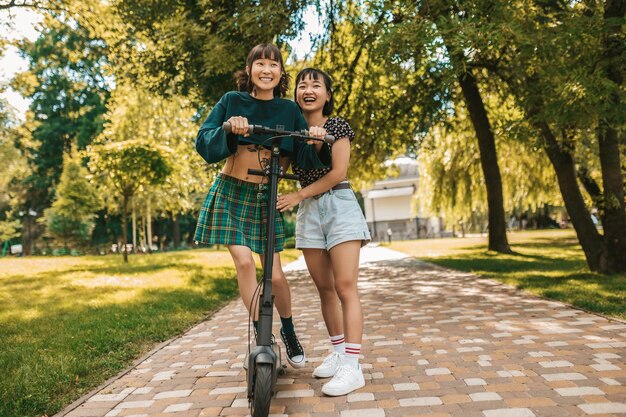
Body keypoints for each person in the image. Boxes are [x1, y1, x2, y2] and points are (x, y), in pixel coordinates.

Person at [194, 44, 330, 369]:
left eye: (273, 64)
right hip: (230, 191)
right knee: (244, 264)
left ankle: (289, 331)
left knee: (277, 277)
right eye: (260, 63)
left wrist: (314, 140)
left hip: (265, 197)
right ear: (250, 69)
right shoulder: (232, 101)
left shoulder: (288, 110)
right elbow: (204, 139)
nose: (266, 69)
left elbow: (306, 159)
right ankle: (262, 338)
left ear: (281, 73)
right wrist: (230, 128)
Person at [277, 68, 371, 396]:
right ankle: (338, 351)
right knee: (325, 289)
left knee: (346, 287)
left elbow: (338, 172)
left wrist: (299, 194)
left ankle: (353, 366)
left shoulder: (336, 126)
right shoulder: (292, 132)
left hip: (339, 204)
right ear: (296, 95)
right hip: (310, 213)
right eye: (302, 84)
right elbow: (280, 168)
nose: (308, 89)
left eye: (316, 84)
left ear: (327, 95)